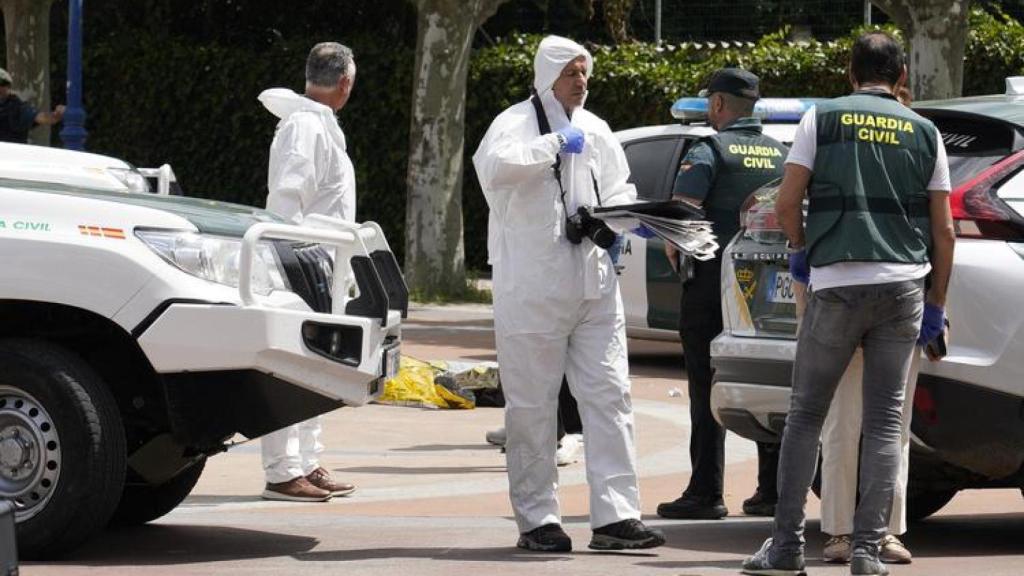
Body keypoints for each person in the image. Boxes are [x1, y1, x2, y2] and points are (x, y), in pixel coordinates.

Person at [742, 31, 955, 576]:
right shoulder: (926, 131)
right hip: (904, 286)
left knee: (807, 414)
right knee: (886, 424)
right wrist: (936, 304)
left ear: (850, 73)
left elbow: (788, 200)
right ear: (903, 77)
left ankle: (787, 547)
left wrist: (799, 250)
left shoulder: (822, 119)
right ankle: (867, 550)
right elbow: (945, 231)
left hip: (836, 283)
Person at [473, 35, 665, 553]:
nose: (581, 83)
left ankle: (615, 518)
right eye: (571, 74)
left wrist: (635, 218)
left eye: (585, 74)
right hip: (532, 290)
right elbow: (492, 169)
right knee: (533, 406)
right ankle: (538, 520)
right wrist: (553, 145)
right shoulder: (513, 124)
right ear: (547, 77)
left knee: (610, 399)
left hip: (595, 287)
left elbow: (619, 188)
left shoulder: (597, 129)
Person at [655, 68, 787, 521]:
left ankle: (706, 491)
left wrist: (679, 258)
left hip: (713, 285)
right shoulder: (780, 153)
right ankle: (769, 491)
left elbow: (681, 220)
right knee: (767, 386)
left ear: (716, 105)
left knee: (704, 385)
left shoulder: (709, 148)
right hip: (769, 290)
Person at [817, 82, 922, 566]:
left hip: (867, 291)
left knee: (866, 423)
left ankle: (865, 532)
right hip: (884, 291)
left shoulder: (831, 124)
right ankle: (859, 532)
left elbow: (939, 228)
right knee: (877, 424)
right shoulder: (916, 135)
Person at [256, 42, 359, 502]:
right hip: (303, 258)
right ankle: (282, 471)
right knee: (295, 367)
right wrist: (292, 262)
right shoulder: (305, 126)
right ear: (345, 82)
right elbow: (287, 200)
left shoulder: (315, 123)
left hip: (321, 259)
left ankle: (307, 461)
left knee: (317, 367)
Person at [0, 68, 65, 143]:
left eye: (2, 84)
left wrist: (57, 115)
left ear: (8, 87)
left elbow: (40, 117)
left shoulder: (16, 107)